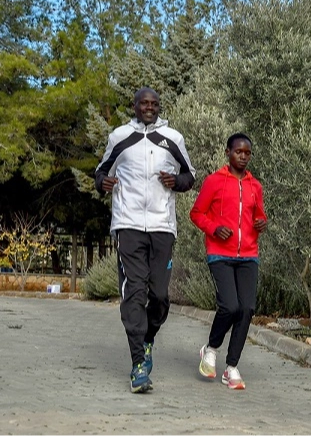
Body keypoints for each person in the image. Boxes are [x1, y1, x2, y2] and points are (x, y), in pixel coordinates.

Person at [95, 87, 195, 393]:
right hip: (128, 224)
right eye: (144, 103)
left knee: (160, 296)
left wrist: (175, 181)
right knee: (135, 293)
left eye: (154, 104)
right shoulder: (119, 136)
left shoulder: (172, 138)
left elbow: (189, 176)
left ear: (158, 107)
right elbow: (100, 173)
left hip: (163, 225)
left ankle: (148, 338)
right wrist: (104, 183)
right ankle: (138, 364)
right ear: (135, 106)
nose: (149, 108)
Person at [190, 132, 267, 390]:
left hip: (248, 254)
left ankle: (231, 367)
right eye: (238, 152)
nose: (243, 156)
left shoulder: (255, 186)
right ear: (228, 152)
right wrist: (213, 228)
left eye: (247, 153)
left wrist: (261, 223)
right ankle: (211, 349)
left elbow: (259, 216)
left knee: (246, 309)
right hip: (219, 253)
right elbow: (197, 212)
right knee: (229, 306)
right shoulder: (214, 181)